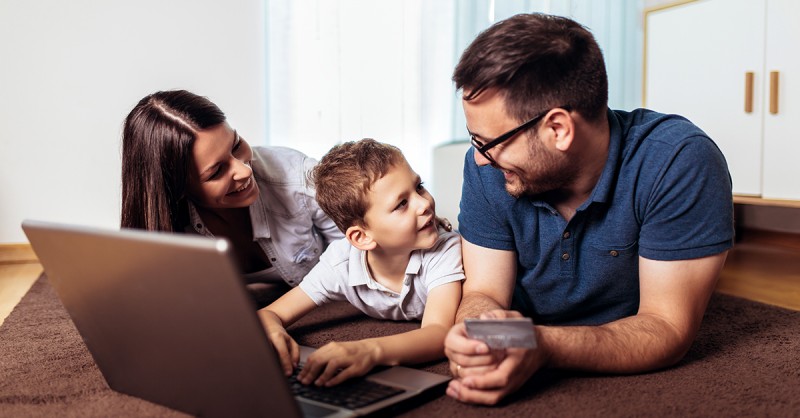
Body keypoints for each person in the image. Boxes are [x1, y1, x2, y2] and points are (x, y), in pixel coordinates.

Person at [443, 13, 734, 405]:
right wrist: (476, 339)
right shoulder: (487, 169)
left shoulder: (679, 161)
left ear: (558, 128)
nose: (479, 159)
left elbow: (666, 326)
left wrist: (542, 345)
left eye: (488, 142)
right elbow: (483, 292)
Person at [257, 138, 464, 387]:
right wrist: (273, 331)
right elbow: (268, 313)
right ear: (361, 237)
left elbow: (439, 334)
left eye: (419, 187)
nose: (425, 203)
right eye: (401, 204)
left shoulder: (444, 249)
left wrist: (370, 350)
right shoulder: (340, 262)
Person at [121, 90, 343, 306]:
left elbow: (357, 255)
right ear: (177, 189)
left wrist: (277, 313)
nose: (244, 171)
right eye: (216, 172)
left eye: (236, 145)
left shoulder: (296, 175)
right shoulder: (163, 223)